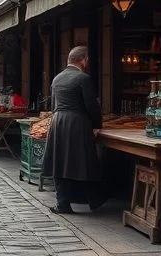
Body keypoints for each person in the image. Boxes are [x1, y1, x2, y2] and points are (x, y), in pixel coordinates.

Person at [42, 46, 105, 214]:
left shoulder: (56, 79)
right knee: (84, 161)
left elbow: (53, 104)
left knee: (59, 161)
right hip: (77, 123)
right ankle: (95, 200)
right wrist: (97, 125)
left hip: (57, 121)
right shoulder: (83, 78)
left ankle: (63, 204)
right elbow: (91, 106)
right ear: (83, 60)